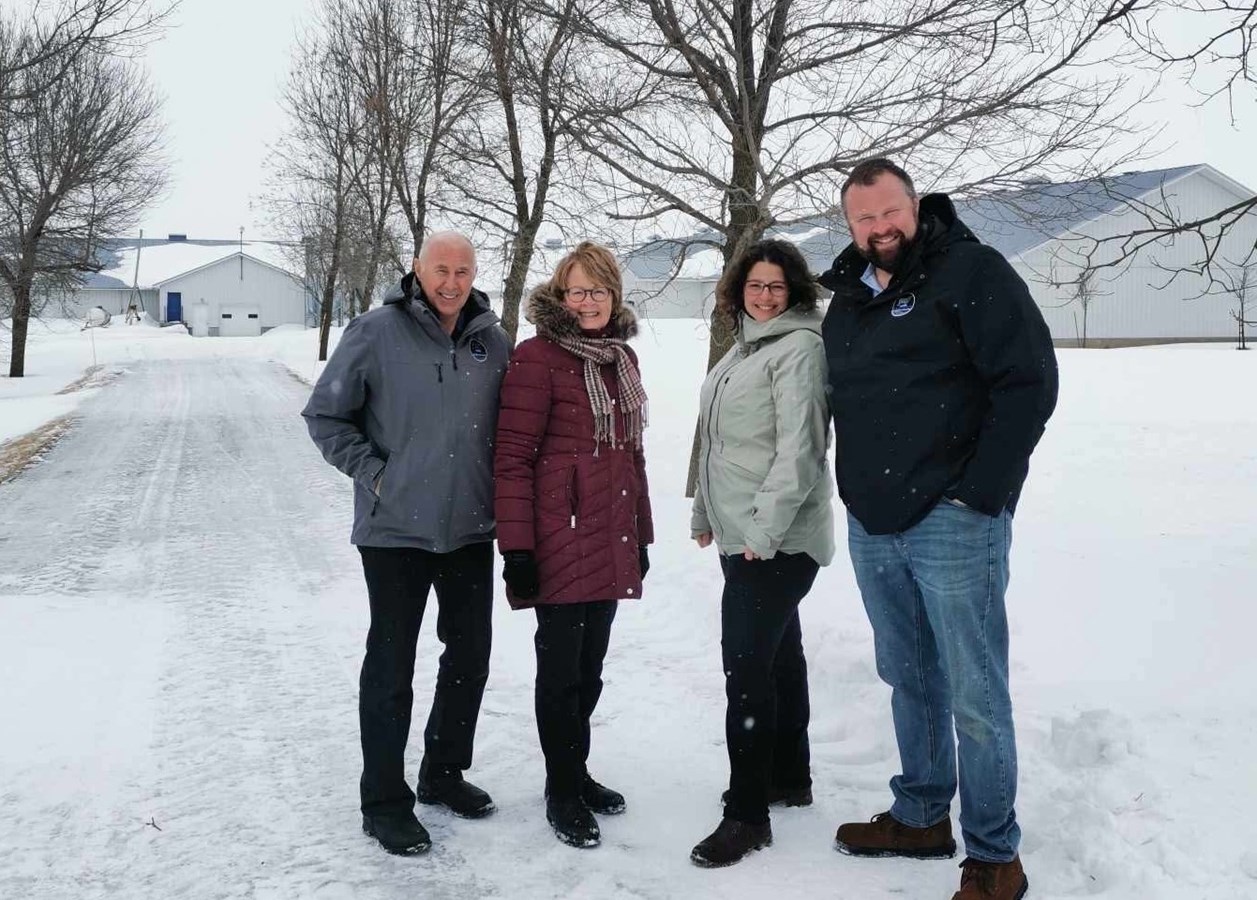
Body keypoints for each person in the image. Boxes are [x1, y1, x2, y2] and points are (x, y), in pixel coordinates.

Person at [819, 158, 1058, 900]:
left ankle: (993, 858)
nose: (879, 228)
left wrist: (978, 495)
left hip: (952, 521)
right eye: (863, 218)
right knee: (908, 677)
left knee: (973, 692)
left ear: (914, 206)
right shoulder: (848, 300)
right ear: (849, 224)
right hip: (874, 521)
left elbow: (1028, 383)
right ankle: (921, 814)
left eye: (889, 212)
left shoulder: (971, 272)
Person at [302, 231, 511, 856]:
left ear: (476, 274)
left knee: (470, 655)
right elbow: (325, 416)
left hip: (471, 527)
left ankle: (443, 773)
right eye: (440, 269)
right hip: (395, 530)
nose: (452, 282)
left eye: (463, 271)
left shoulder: (491, 341)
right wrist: (379, 474)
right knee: (392, 666)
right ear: (417, 270)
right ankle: (384, 801)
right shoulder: (375, 332)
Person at [493, 241, 653, 849]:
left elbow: (630, 457)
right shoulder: (536, 358)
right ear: (560, 298)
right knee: (560, 671)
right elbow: (511, 459)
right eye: (577, 291)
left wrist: (640, 534)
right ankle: (561, 788)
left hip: (609, 535)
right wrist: (519, 550)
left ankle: (577, 771)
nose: (588, 301)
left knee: (590, 670)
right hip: (558, 537)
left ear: (614, 297)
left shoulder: (622, 361)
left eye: (598, 290)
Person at [688, 239, 836, 868]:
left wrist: (761, 535)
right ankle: (789, 776)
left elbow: (800, 450)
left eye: (777, 286)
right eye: (756, 285)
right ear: (739, 291)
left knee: (746, 669)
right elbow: (711, 438)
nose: (766, 295)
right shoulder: (742, 349)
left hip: (774, 539)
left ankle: (747, 813)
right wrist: (703, 510)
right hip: (742, 533)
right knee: (778, 658)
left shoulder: (799, 348)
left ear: (795, 291)